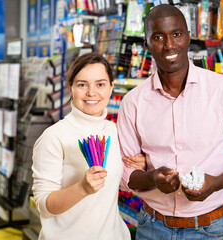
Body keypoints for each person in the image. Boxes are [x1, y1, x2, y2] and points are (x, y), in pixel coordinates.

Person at [117, 4, 223, 239]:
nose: (169, 45)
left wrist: (215, 183)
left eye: (176, 34)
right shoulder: (133, 103)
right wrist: (153, 179)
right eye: (158, 37)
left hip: (209, 228)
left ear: (188, 37)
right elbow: (126, 172)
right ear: (146, 43)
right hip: (152, 227)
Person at [32, 53, 144, 240]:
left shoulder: (115, 131)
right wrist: (82, 188)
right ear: (71, 89)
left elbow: (119, 182)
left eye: (100, 84)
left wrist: (138, 165)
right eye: (82, 84)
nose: (92, 92)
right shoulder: (54, 137)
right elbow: (44, 205)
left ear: (111, 88)